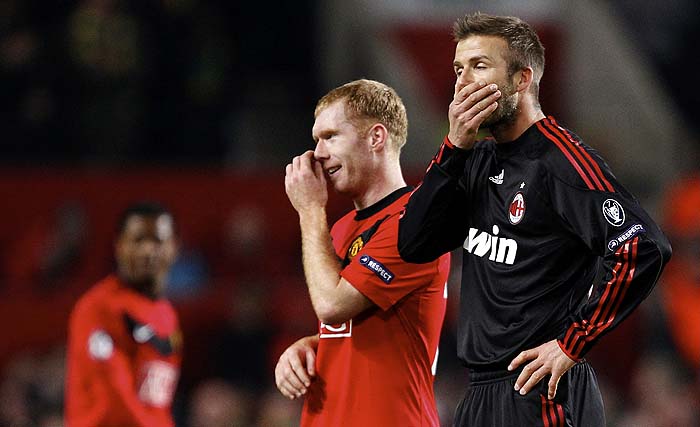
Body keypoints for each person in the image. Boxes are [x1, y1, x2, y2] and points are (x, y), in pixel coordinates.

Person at [397, 12, 672, 426]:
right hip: (480, 394)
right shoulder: (475, 159)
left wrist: (571, 343)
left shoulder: (560, 160)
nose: (463, 82)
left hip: (539, 390)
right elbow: (413, 243)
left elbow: (642, 246)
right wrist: (453, 148)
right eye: (458, 69)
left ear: (522, 79)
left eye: (479, 66)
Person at [275, 79, 450, 426]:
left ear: (376, 137)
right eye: (316, 140)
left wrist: (310, 212)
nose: (319, 153)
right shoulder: (339, 228)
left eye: (331, 136)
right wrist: (312, 347)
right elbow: (347, 327)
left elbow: (332, 305)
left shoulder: (413, 223)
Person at [65, 202, 182, 427]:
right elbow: (114, 400)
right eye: (138, 241)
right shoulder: (99, 308)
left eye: (157, 241)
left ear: (174, 247)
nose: (147, 251)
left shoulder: (167, 315)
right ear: (119, 245)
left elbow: (156, 405)